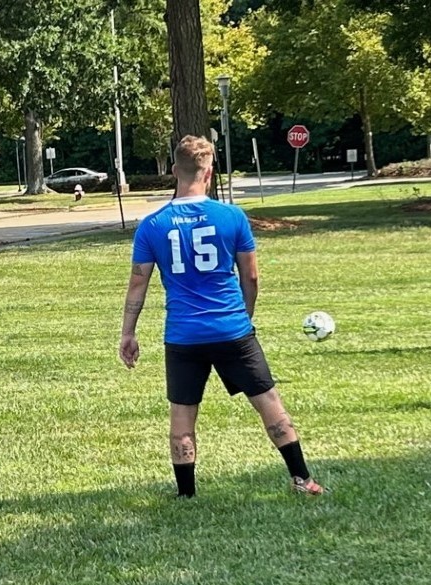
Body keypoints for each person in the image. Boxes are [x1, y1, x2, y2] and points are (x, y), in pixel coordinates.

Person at [119, 135, 324, 498]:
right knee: (270, 406)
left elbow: (138, 284)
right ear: (210, 173)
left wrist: (128, 334)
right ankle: (302, 480)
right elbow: (252, 276)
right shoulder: (232, 216)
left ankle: (186, 494)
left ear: (172, 171)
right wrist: (244, 317)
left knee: (182, 418)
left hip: (183, 336)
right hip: (233, 330)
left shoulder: (153, 225)